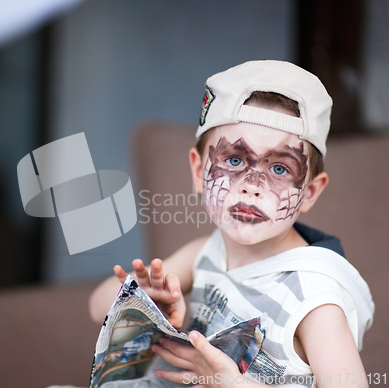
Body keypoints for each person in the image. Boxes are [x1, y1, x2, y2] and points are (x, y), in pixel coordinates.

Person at [88, 60, 374, 388]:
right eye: (234, 161)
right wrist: (144, 302)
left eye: (279, 168)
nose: (253, 184)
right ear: (198, 172)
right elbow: (98, 307)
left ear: (308, 192)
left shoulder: (314, 300)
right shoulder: (207, 251)